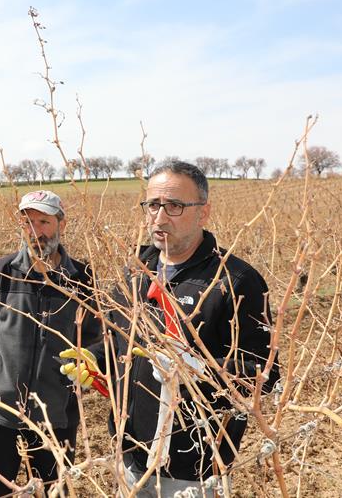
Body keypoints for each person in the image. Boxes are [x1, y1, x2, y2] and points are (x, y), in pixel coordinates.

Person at [63, 161, 276, 497]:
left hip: (195, 468)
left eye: (174, 206)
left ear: (203, 212)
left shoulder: (235, 281)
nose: (160, 218)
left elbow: (265, 374)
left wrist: (194, 369)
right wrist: (95, 359)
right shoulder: (135, 271)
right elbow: (121, 340)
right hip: (130, 454)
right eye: (153, 205)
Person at [0, 190, 101, 497]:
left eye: (44, 222)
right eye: (27, 222)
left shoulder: (81, 279)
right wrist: (3, 367)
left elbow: (93, 337)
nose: (35, 230)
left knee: (53, 492)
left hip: (57, 415)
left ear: (61, 225)